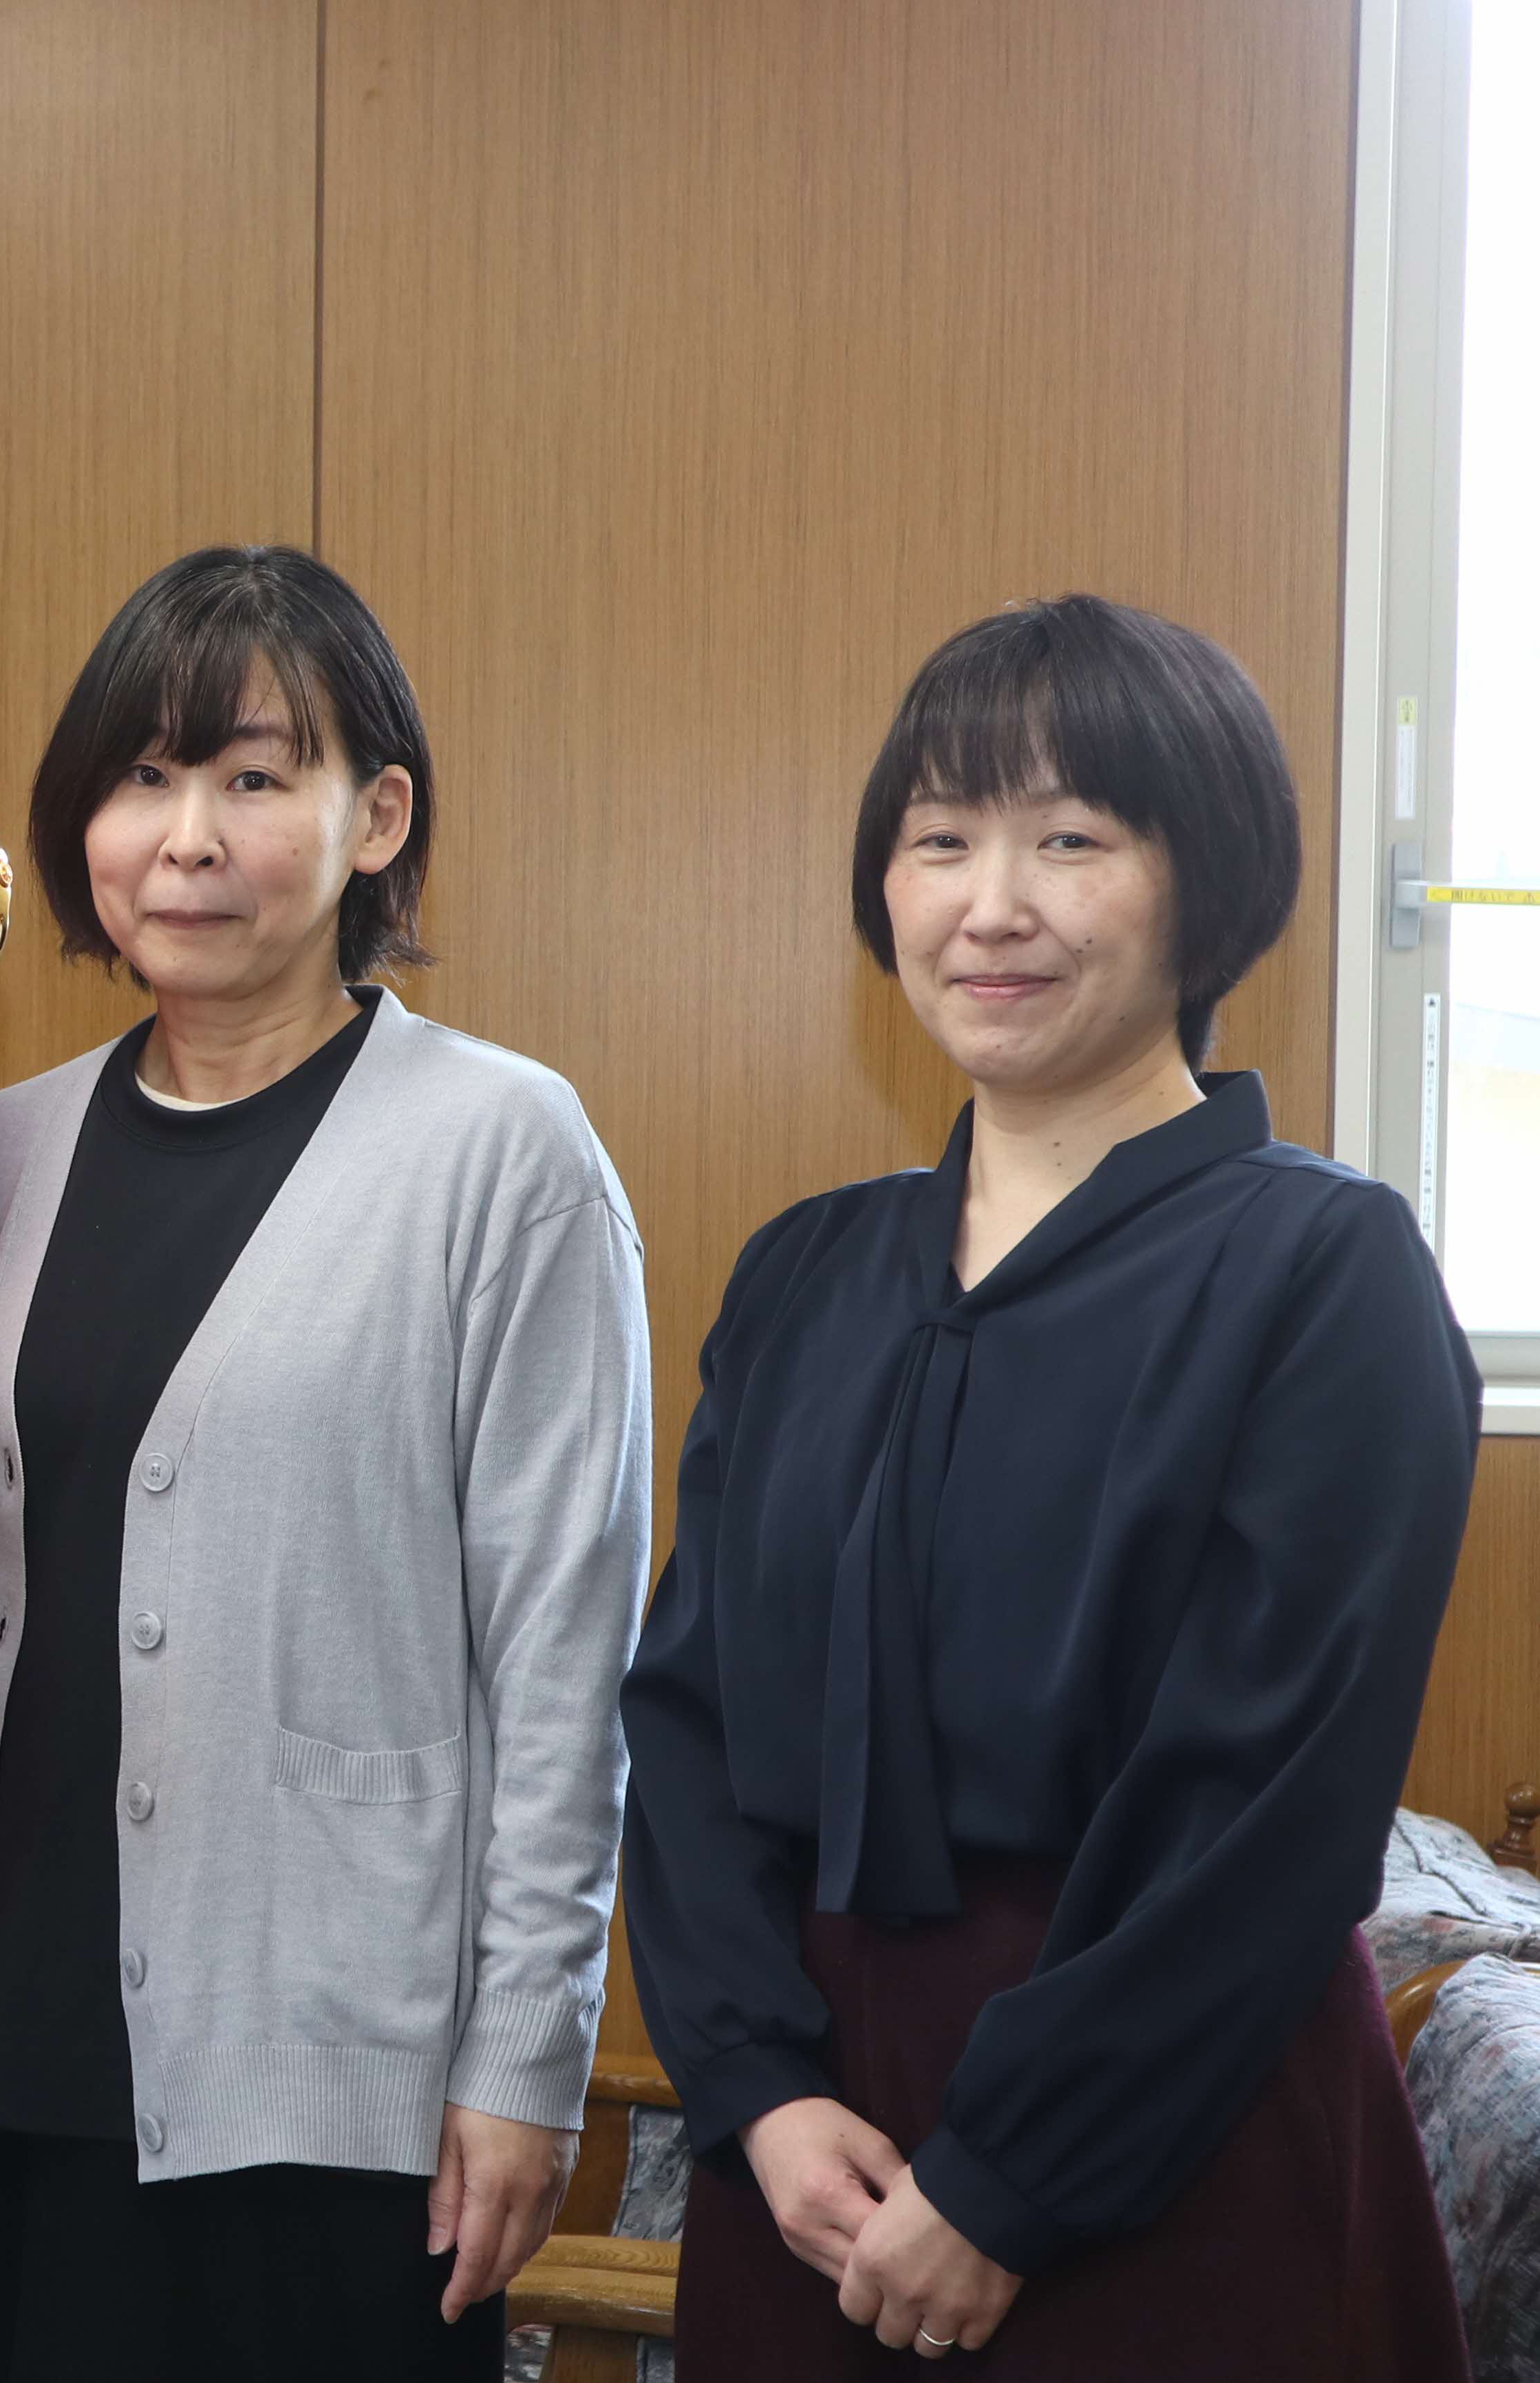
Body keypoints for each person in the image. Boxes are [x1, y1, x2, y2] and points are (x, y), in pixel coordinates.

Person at [619, 595, 1479, 2376]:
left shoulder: (1328, 1270)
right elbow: (688, 1727)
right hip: (812, 2152)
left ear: (1205, 882)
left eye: (1068, 839)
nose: (988, 903)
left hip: (1176, 2135)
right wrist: (761, 2091)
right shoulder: (805, 1273)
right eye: (940, 839)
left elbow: (1268, 1804)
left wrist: (1015, 2177)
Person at [0, 545, 651, 2380]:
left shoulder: (503, 1147)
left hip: (340, 2065)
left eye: (251, 774)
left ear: (375, 813)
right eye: (140, 780)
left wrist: (525, 2054)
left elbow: (565, 1658)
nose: (187, 837)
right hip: (31, 2022)